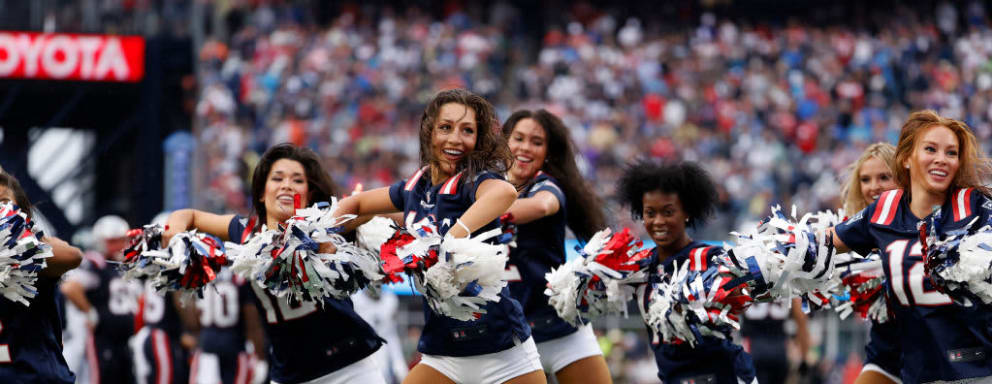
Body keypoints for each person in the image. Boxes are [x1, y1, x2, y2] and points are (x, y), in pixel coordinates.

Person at [335, 89, 545, 384]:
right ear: (428, 131)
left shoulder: (473, 181)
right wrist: (316, 231)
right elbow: (355, 204)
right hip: (443, 355)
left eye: (468, 131)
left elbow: (505, 192)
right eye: (446, 128)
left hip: (503, 352)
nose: (455, 139)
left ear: (478, 140)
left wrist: (451, 241)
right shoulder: (415, 187)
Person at [163, 143, 386, 384]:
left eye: (298, 180)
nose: (287, 185)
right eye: (277, 178)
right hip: (290, 375)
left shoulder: (324, 223)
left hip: (349, 367)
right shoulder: (245, 231)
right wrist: (175, 233)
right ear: (261, 191)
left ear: (310, 194)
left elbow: (374, 207)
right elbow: (189, 215)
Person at [832, 110, 992, 383]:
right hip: (908, 362)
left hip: (974, 365)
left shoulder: (974, 206)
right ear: (906, 159)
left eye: (951, 153)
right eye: (931, 149)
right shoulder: (882, 213)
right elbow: (813, 247)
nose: (942, 158)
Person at [617, 160, 756, 384]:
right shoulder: (639, 268)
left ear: (687, 212)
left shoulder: (712, 258)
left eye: (668, 212)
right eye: (650, 213)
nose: (658, 221)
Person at [500, 109, 611, 383]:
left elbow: (542, 205)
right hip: (510, 338)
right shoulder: (483, 187)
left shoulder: (546, 187)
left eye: (536, 142)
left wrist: (477, 212)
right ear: (504, 143)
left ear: (547, 152)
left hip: (562, 328)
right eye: (519, 138)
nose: (525, 148)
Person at [0, 172, 84, 383]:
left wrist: (19, 241)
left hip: (35, 375)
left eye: (4, 202)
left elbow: (71, 256)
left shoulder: (31, 252)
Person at [837, 143, 904, 384]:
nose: (873, 187)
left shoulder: (928, 227)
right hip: (885, 355)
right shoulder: (852, 233)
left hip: (936, 357)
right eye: (866, 179)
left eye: (884, 177)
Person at [62, 214, 141, 384]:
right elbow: (70, 287)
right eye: (114, 241)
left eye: (122, 240)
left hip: (125, 342)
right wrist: (90, 312)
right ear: (100, 241)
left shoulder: (123, 267)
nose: (121, 245)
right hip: (102, 340)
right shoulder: (96, 262)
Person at [189, 268, 267, 384]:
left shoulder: (201, 272)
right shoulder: (239, 277)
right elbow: (252, 323)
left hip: (207, 346)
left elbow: (194, 318)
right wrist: (261, 358)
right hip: (234, 348)